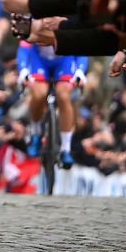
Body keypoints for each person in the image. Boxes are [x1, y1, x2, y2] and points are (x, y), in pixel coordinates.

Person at [17, 40, 87, 168]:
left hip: (65, 59)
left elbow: (81, 45)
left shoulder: (69, 21)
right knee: (39, 93)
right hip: (39, 58)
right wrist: (22, 69)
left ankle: (66, 148)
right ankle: (36, 132)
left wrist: (80, 70)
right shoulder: (34, 20)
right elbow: (24, 46)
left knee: (64, 95)